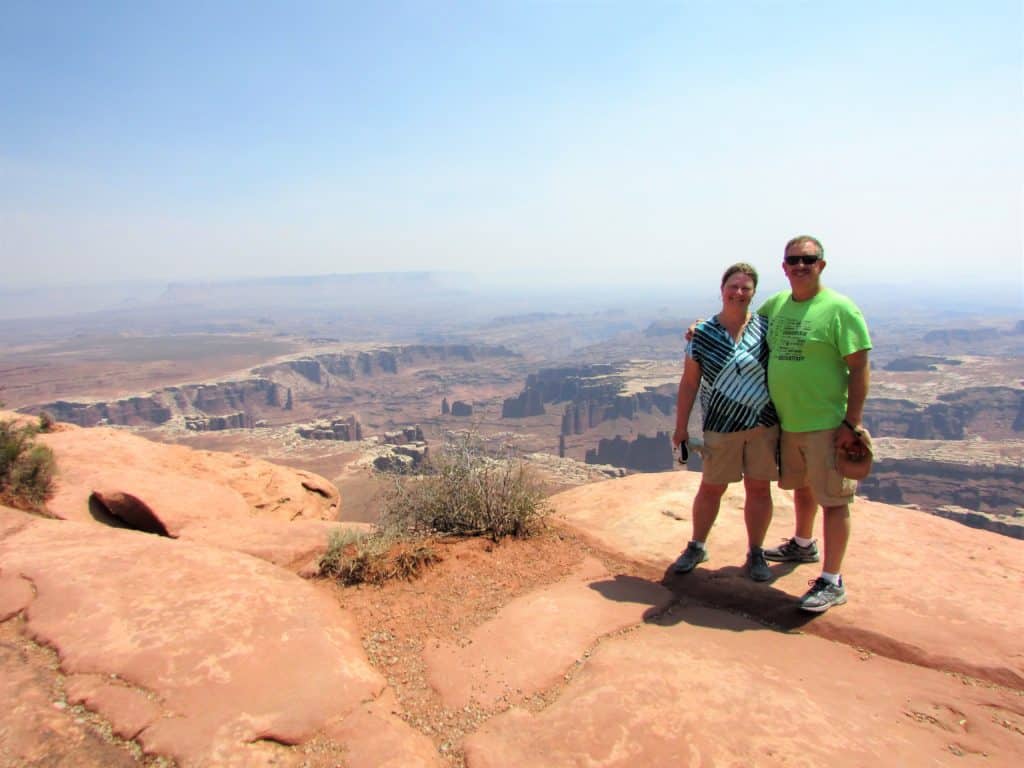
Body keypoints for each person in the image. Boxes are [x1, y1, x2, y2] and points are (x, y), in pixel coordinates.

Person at [758, 235, 872, 612]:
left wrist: (851, 423)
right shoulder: (776, 305)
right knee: (802, 488)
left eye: (809, 259)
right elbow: (742, 329)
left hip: (825, 423)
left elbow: (859, 368)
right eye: (794, 260)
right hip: (789, 423)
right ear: (784, 266)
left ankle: (831, 580)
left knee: (835, 501)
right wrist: (700, 329)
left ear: (822, 264)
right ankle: (803, 544)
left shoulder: (840, 309)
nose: (801, 265)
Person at [672, 263, 779, 582]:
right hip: (719, 425)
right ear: (722, 290)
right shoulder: (703, 333)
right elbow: (690, 382)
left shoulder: (767, 328)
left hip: (763, 424)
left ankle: (756, 552)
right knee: (711, 488)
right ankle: (697, 545)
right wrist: (681, 427)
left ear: (754, 293)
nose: (739, 292)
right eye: (733, 286)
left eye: (746, 288)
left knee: (759, 489)